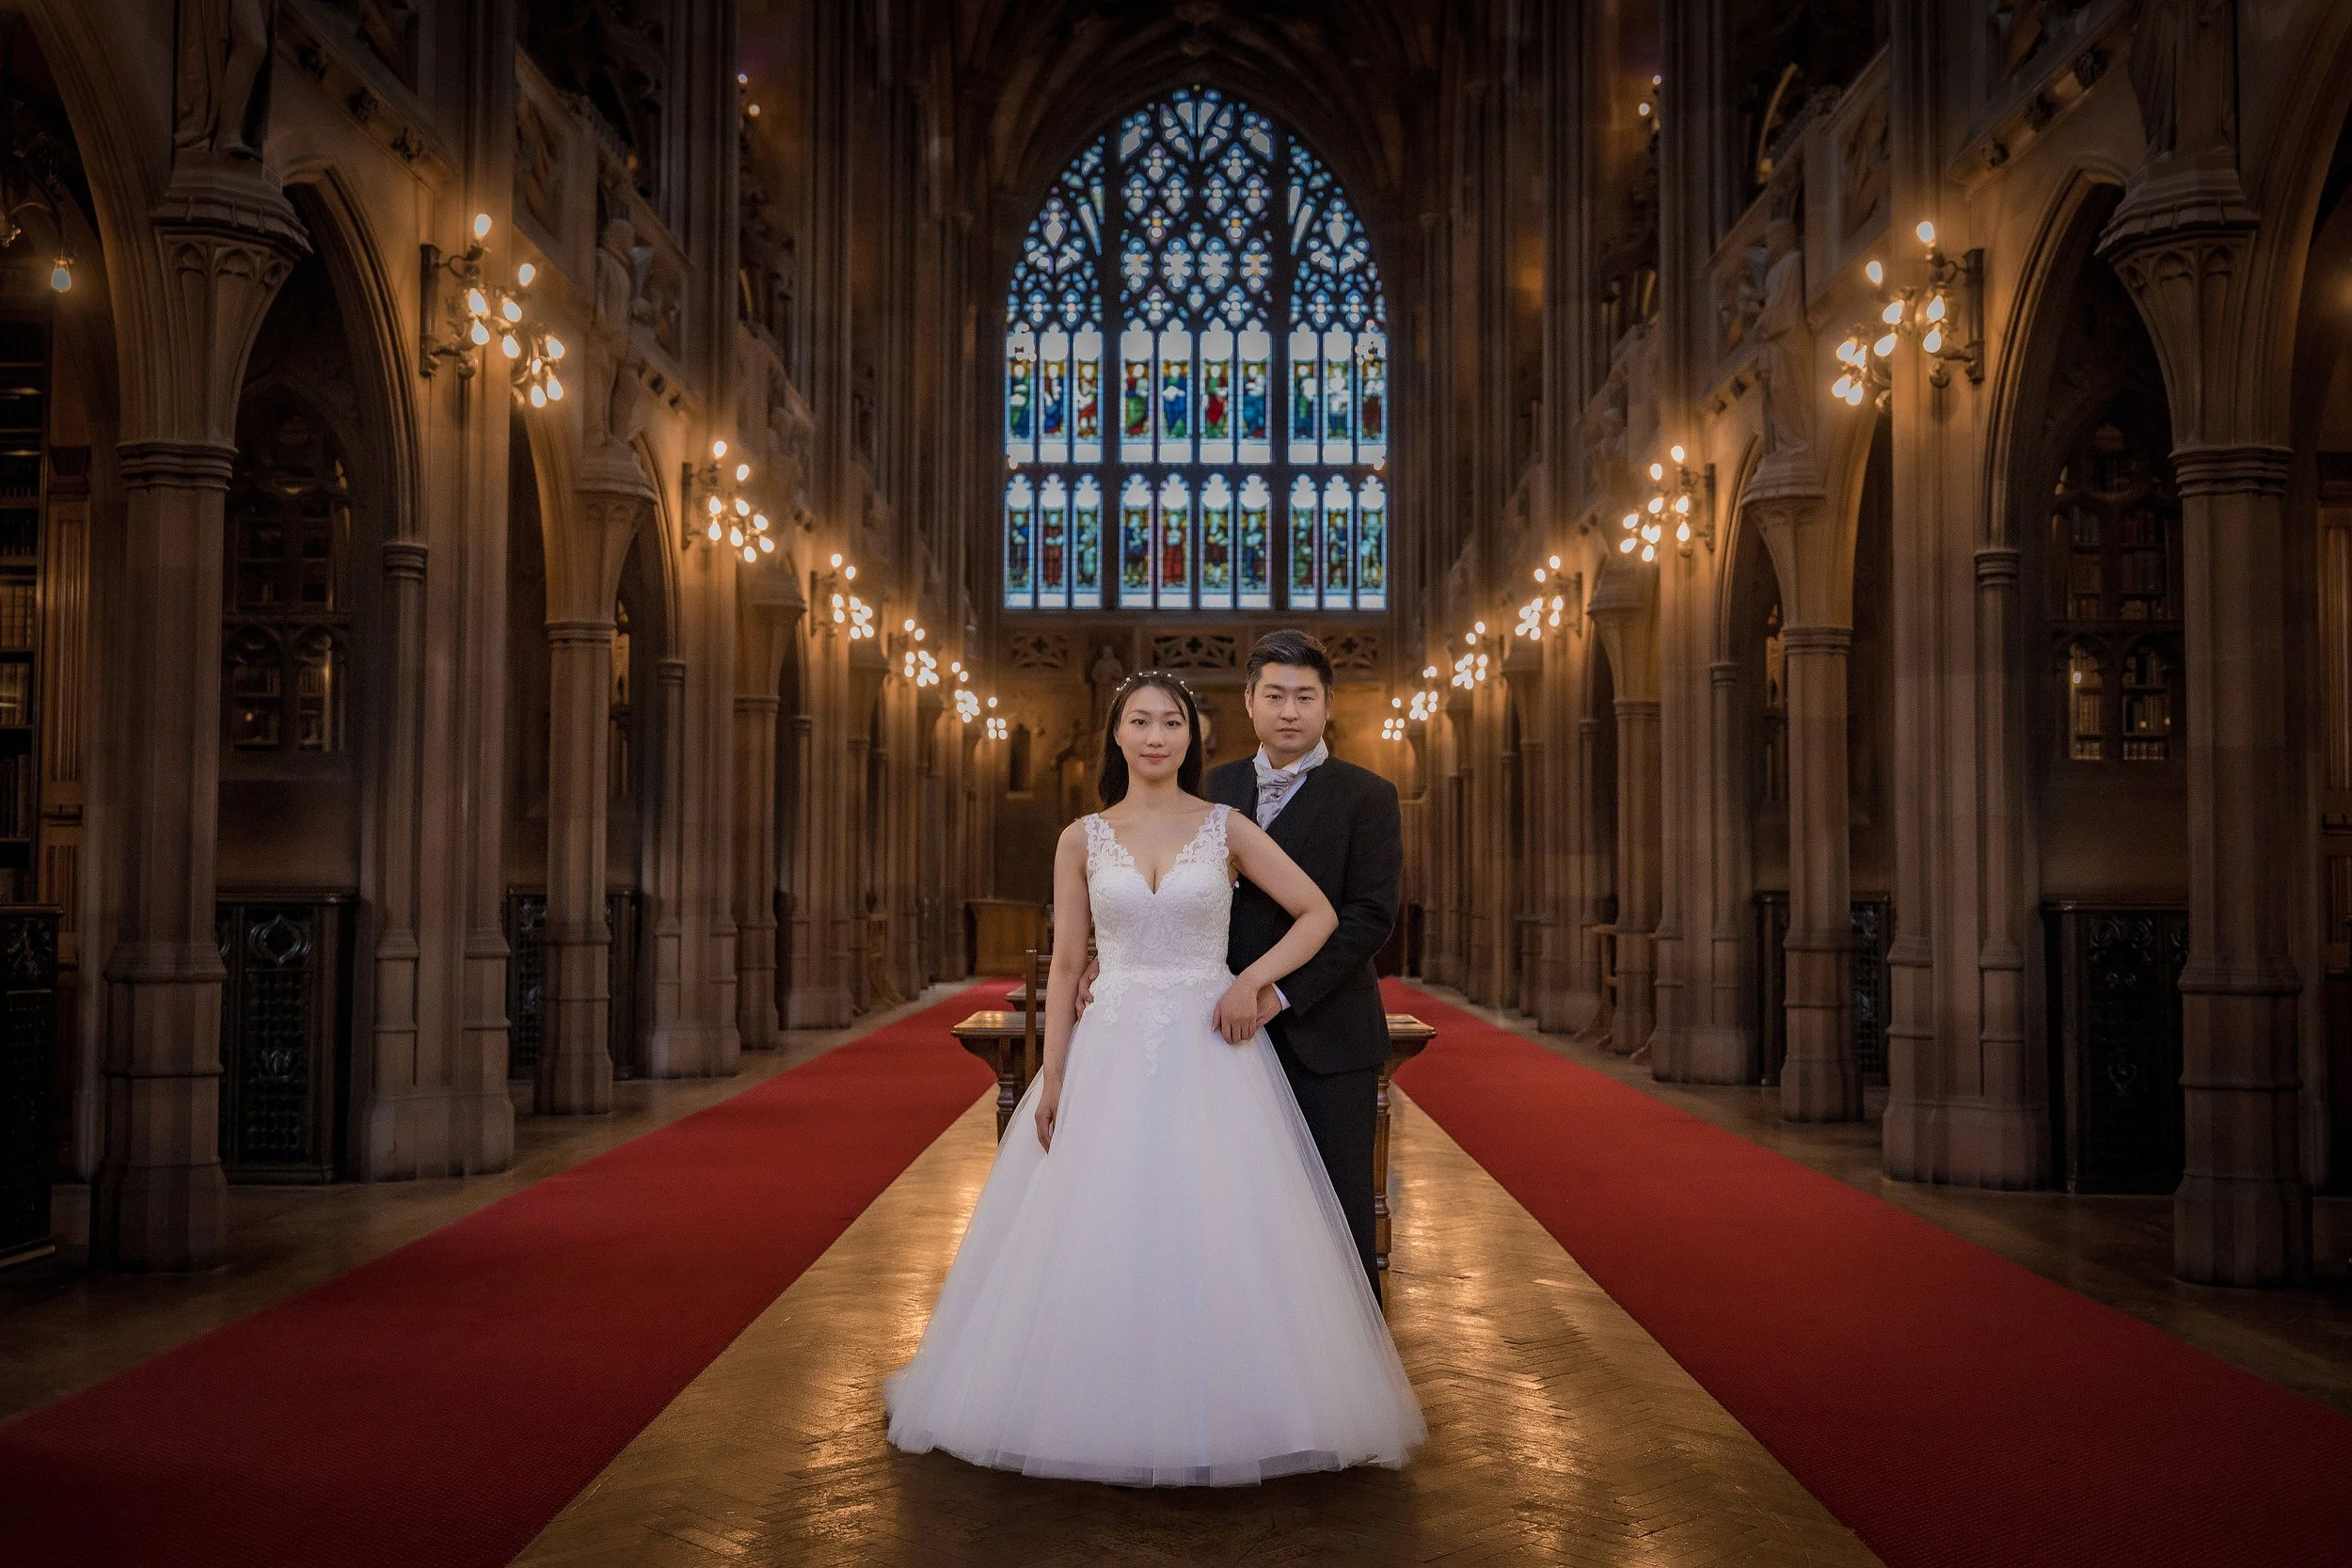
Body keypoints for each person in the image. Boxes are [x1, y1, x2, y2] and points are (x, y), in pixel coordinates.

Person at [886, 672, 1423, 1486]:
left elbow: (1318, 912)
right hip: (1110, 1051)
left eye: (1171, 722)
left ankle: (1244, 1406)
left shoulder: (1226, 826)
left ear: (1192, 736)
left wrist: (1255, 981)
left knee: (1219, 1226)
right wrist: (1053, 1079)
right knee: (1099, 1224)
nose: (1155, 735)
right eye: (1139, 720)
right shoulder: (1081, 838)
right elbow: (1067, 965)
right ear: (1117, 733)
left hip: (1212, 1053)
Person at [1085, 628, 1402, 1297]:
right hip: (1211, 1039)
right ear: (1250, 703)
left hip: (1326, 1034)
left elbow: (1369, 917)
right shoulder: (1212, 788)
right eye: (1275, 695)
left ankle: (1344, 1348)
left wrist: (1274, 992)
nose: (1290, 711)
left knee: (1335, 1211)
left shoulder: (1368, 795)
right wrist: (1108, 959)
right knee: (1225, 1214)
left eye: (1305, 697)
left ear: (1328, 705)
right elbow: (1163, 889)